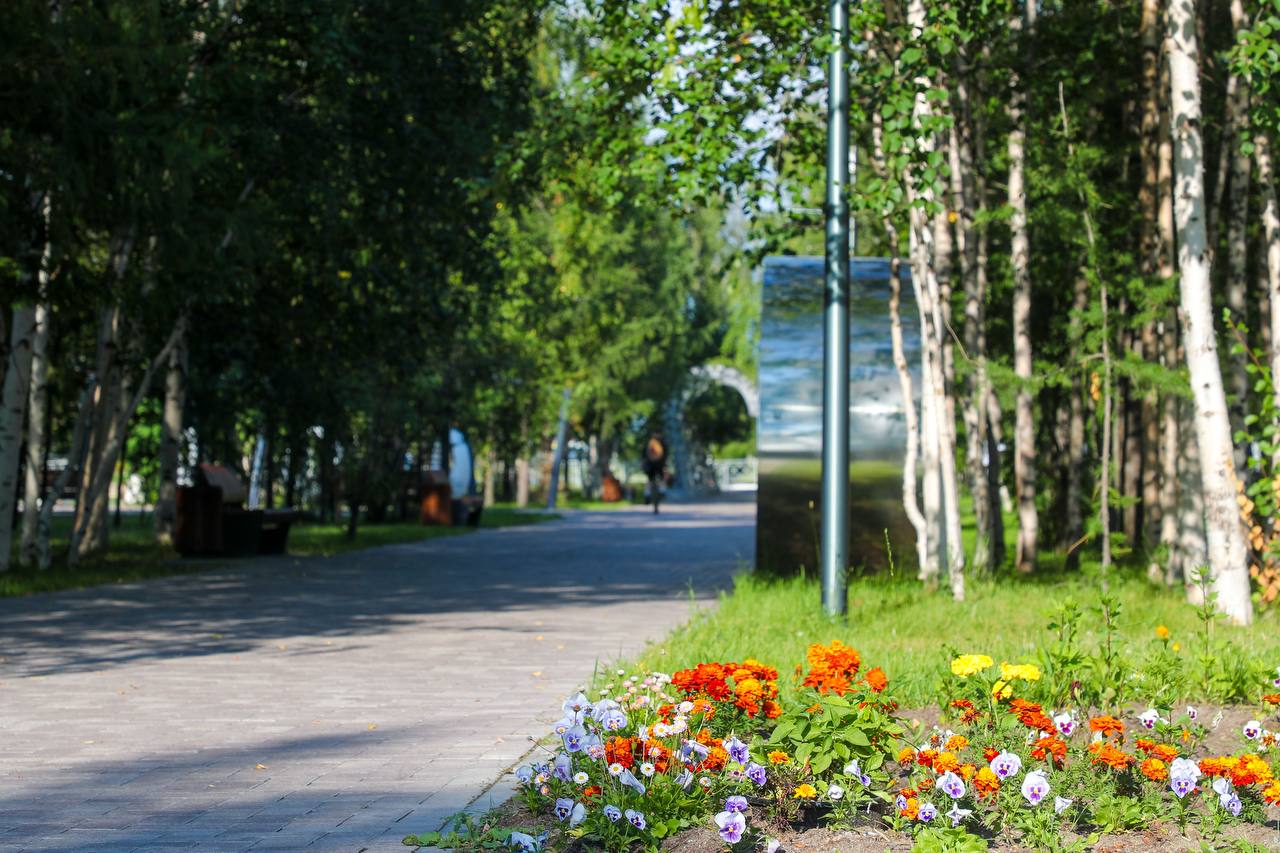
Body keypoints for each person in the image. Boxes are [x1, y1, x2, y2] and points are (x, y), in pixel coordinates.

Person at [642, 433, 667, 514]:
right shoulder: (662, 443)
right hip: (659, 465)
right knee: (662, 479)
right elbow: (665, 455)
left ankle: (647, 494)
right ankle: (663, 491)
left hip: (650, 466)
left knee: (649, 480)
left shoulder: (648, 443)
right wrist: (665, 465)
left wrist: (644, 464)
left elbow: (643, 455)